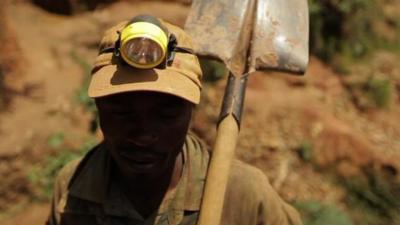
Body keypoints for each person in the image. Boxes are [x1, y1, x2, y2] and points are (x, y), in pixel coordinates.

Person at [46, 16, 302, 225]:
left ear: (191, 113)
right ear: (99, 109)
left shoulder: (243, 197)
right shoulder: (72, 191)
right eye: (122, 113)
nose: (143, 135)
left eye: (166, 115)